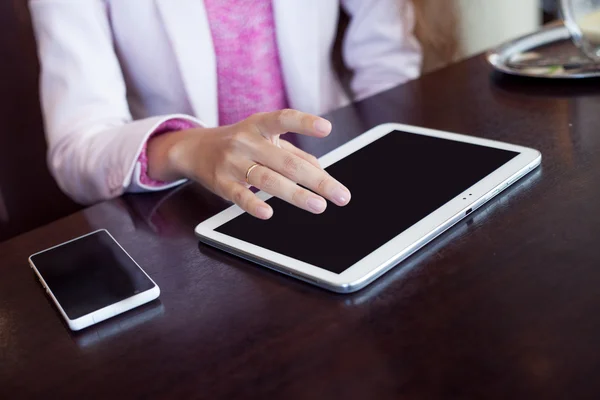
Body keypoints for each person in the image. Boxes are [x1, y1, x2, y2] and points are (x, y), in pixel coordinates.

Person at [29, 0, 422, 219]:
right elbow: (77, 149)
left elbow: (386, 60)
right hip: (188, 213)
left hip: (335, 178)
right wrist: (189, 148)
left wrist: (381, 170)